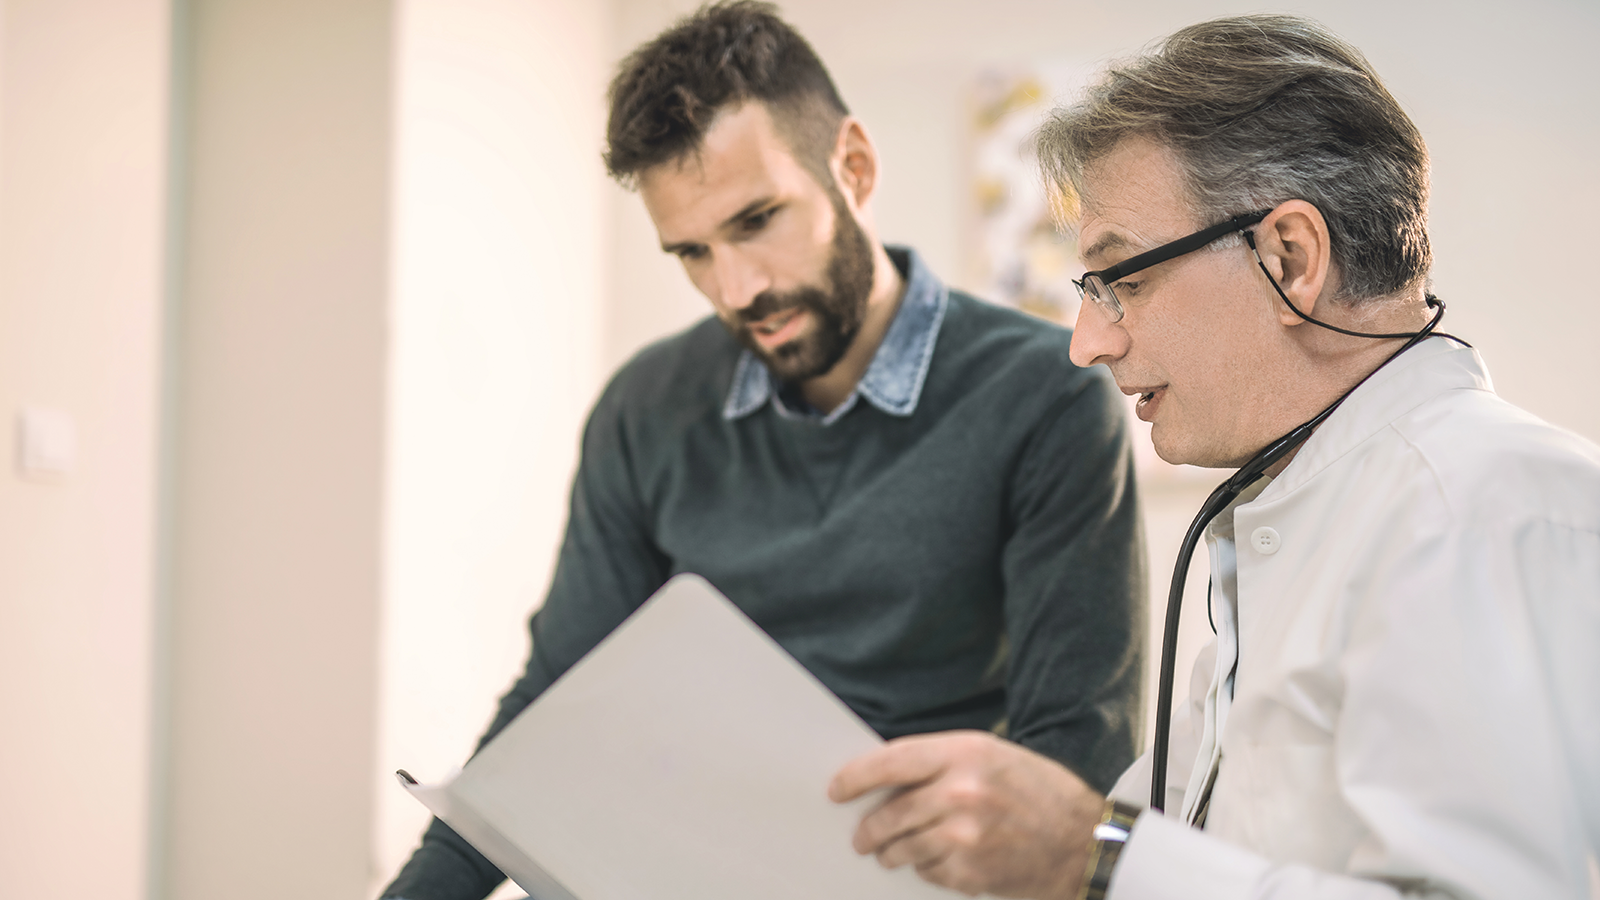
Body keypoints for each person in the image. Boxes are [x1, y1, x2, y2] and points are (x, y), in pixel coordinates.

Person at [379, 3, 1146, 898]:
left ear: (852, 166)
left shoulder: (1044, 398)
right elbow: (555, 702)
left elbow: (1074, 763)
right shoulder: (646, 408)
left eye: (757, 221)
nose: (735, 288)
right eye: (692, 253)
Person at [830, 13, 1600, 900]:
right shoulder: (1292, 514)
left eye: (1125, 280)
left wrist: (1091, 854)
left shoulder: (1485, 505)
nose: (1085, 343)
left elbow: (1115, 858)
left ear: (1290, 257)